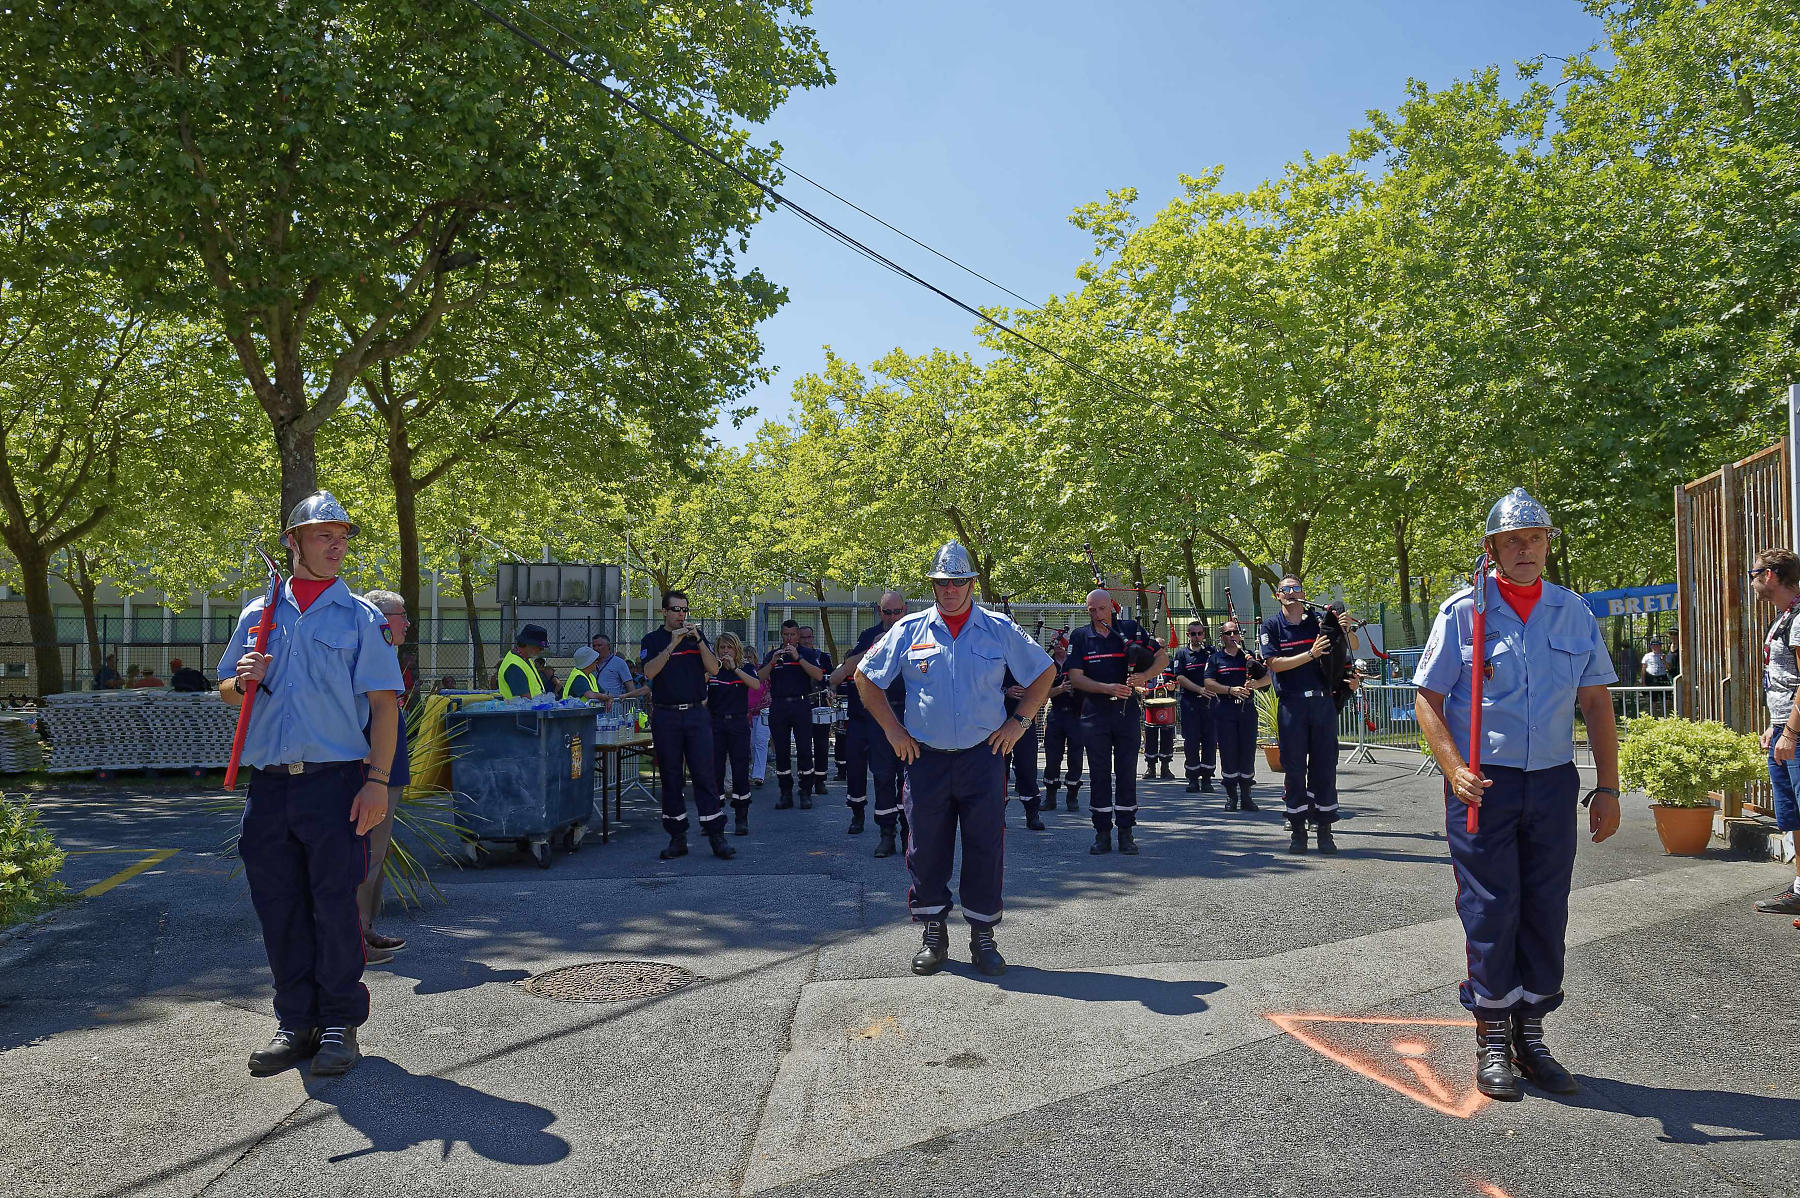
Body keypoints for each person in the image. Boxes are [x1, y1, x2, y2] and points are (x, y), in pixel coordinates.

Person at [1414, 487, 1621, 1101]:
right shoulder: (1463, 612)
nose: (1525, 549)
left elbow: (1596, 702)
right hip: (1486, 784)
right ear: (1492, 550)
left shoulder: (1572, 611)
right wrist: (1453, 768)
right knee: (1491, 907)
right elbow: (1428, 699)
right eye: (1512, 541)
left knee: (1546, 906)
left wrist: (1609, 786)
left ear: (1547, 545)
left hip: (1553, 782)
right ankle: (1492, 1038)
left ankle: (1531, 1035)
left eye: (1534, 538)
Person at [217, 491, 402, 1079]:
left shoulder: (360, 618)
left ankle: (340, 1025)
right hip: (269, 787)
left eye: (342, 536)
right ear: (293, 543)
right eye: (324, 535)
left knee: (333, 907)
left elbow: (384, 705)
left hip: (335, 784)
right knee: (278, 908)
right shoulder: (256, 615)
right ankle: (295, 1023)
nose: (337, 545)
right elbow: (225, 691)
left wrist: (376, 782)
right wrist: (241, 681)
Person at [856, 541, 1052, 976]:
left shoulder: (998, 628)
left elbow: (1044, 672)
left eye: (958, 582)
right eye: (942, 582)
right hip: (926, 760)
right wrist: (893, 730)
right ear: (933, 584)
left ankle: (983, 936)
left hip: (983, 758)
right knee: (925, 849)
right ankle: (934, 933)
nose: (950, 590)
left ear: (971, 584)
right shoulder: (909, 629)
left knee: (985, 846)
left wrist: (1018, 723)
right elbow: (865, 677)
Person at [1067, 588, 1167, 855]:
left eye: (1100, 609)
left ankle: (1126, 832)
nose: (1096, 614)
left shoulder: (1131, 629)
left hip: (1126, 713)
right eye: (1091, 610)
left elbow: (1162, 657)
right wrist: (1107, 688)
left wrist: (1143, 676)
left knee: (1126, 773)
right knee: (1099, 774)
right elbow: (1076, 677)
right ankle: (1102, 834)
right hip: (1094, 714)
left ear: (1110, 607)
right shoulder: (1081, 636)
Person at [1261, 575, 1352, 854]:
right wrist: (1310, 654)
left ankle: (1324, 828)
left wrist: (1345, 629)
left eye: (1295, 588)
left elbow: (1353, 647)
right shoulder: (1272, 625)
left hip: (1322, 703)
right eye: (1285, 590)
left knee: (1325, 768)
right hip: (1292, 704)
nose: (1290, 593)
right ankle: (1298, 830)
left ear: (1303, 593)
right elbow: (1274, 664)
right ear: (1278, 596)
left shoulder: (1317, 621)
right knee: (1295, 769)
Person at [640, 591, 734, 861]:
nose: (682, 614)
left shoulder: (697, 638)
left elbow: (714, 669)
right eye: (676, 609)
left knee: (705, 774)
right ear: (664, 612)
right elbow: (649, 672)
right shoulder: (653, 639)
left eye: (685, 610)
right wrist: (672, 644)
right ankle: (677, 837)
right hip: (667, 715)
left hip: (695, 714)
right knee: (671, 777)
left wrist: (699, 641)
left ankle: (716, 836)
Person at [829, 592, 909, 852]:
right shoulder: (869, 634)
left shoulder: (915, 631)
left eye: (897, 612)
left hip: (910, 713)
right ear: (880, 611)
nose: (893, 617)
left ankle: (910, 832)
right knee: (884, 776)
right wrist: (874, 646)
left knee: (909, 778)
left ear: (905, 610)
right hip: (881, 715)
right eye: (888, 612)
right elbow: (848, 669)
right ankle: (887, 833)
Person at [357, 589, 412, 967]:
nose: (407, 623)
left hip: (386, 774)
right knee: (366, 857)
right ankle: (356, 940)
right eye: (400, 615)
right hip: (373, 776)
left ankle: (365, 929)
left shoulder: (381, 657)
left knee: (375, 856)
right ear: (380, 618)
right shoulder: (364, 656)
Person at [1750, 549, 1800, 918]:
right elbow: (1785, 680)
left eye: (1753, 573)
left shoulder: (1798, 618)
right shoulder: (1784, 617)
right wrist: (1775, 725)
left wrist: (1791, 732)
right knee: (1793, 815)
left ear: (1770, 575)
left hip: (1796, 731)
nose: (1750, 581)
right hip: (1785, 725)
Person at [758, 620, 826, 810]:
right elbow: (759, 678)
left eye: (792, 635)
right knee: (782, 751)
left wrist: (798, 658)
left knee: (804, 749)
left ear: (798, 636)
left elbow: (819, 675)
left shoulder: (806, 653)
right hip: (779, 705)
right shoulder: (774, 654)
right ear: (781, 635)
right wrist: (771, 663)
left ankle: (805, 792)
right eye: (786, 635)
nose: (789, 638)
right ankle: (785, 793)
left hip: (801, 704)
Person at [1203, 621, 1269, 811]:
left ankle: (1247, 796)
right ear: (1222, 637)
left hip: (1247, 710)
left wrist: (1255, 683)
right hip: (1225, 709)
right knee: (1229, 751)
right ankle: (1232, 796)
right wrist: (1230, 690)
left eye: (1236, 632)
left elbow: (1267, 680)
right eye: (1228, 633)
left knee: (1248, 752)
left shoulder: (1249, 657)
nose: (1233, 635)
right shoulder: (1216, 658)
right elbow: (1208, 682)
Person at [708, 632, 761, 836]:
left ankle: (741, 817)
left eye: (729, 648)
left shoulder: (745, 668)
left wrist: (735, 668)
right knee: (715, 771)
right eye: (722, 648)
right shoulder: (713, 670)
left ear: (736, 649)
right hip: (716, 723)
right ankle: (715, 816)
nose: (725, 652)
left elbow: (756, 685)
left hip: (738, 723)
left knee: (740, 770)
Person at [1169, 619, 1219, 793]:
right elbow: (1180, 678)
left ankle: (1207, 778)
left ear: (1203, 634)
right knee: (1191, 741)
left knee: (1209, 740)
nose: (1196, 637)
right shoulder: (1181, 654)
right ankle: (1192, 777)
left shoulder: (1211, 652)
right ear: (1188, 635)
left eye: (1199, 633)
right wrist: (1200, 689)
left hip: (1210, 702)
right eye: (1193, 633)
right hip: (1190, 702)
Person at [1041, 634, 1084, 812]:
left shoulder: (1076, 662)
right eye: (1054, 642)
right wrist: (1060, 689)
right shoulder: (1047, 664)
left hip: (1076, 715)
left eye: (1060, 642)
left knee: (1075, 756)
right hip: (1056, 714)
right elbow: (1042, 694)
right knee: (1052, 757)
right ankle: (1050, 797)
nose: (1057, 645)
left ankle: (1072, 795)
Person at [799, 625, 834, 798]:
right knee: (803, 746)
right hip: (801, 706)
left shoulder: (823, 657)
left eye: (809, 637)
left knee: (821, 745)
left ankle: (820, 781)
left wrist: (831, 691)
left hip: (821, 704)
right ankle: (804, 781)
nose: (806, 640)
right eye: (803, 637)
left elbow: (831, 679)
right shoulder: (794, 657)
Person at [496, 625, 548, 701]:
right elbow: (525, 701)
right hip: (523, 711)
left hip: (533, 710)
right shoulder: (514, 666)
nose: (542, 650)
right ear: (528, 644)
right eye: (540, 647)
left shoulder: (525, 658)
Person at [587, 632, 643, 702]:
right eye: (594, 646)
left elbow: (630, 687)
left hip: (613, 706)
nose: (596, 648)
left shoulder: (619, 663)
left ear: (608, 646)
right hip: (594, 705)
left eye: (599, 645)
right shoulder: (589, 664)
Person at [746, 644, 771, 787]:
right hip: (747, 713)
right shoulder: (740, 672)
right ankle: (752, 770)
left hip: (763, 711)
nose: (747, 659)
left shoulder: (761, 671)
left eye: (749, 657)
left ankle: (758, 775)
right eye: (745, 657)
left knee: (761, 742)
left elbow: (768, 689)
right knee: (751, 743)